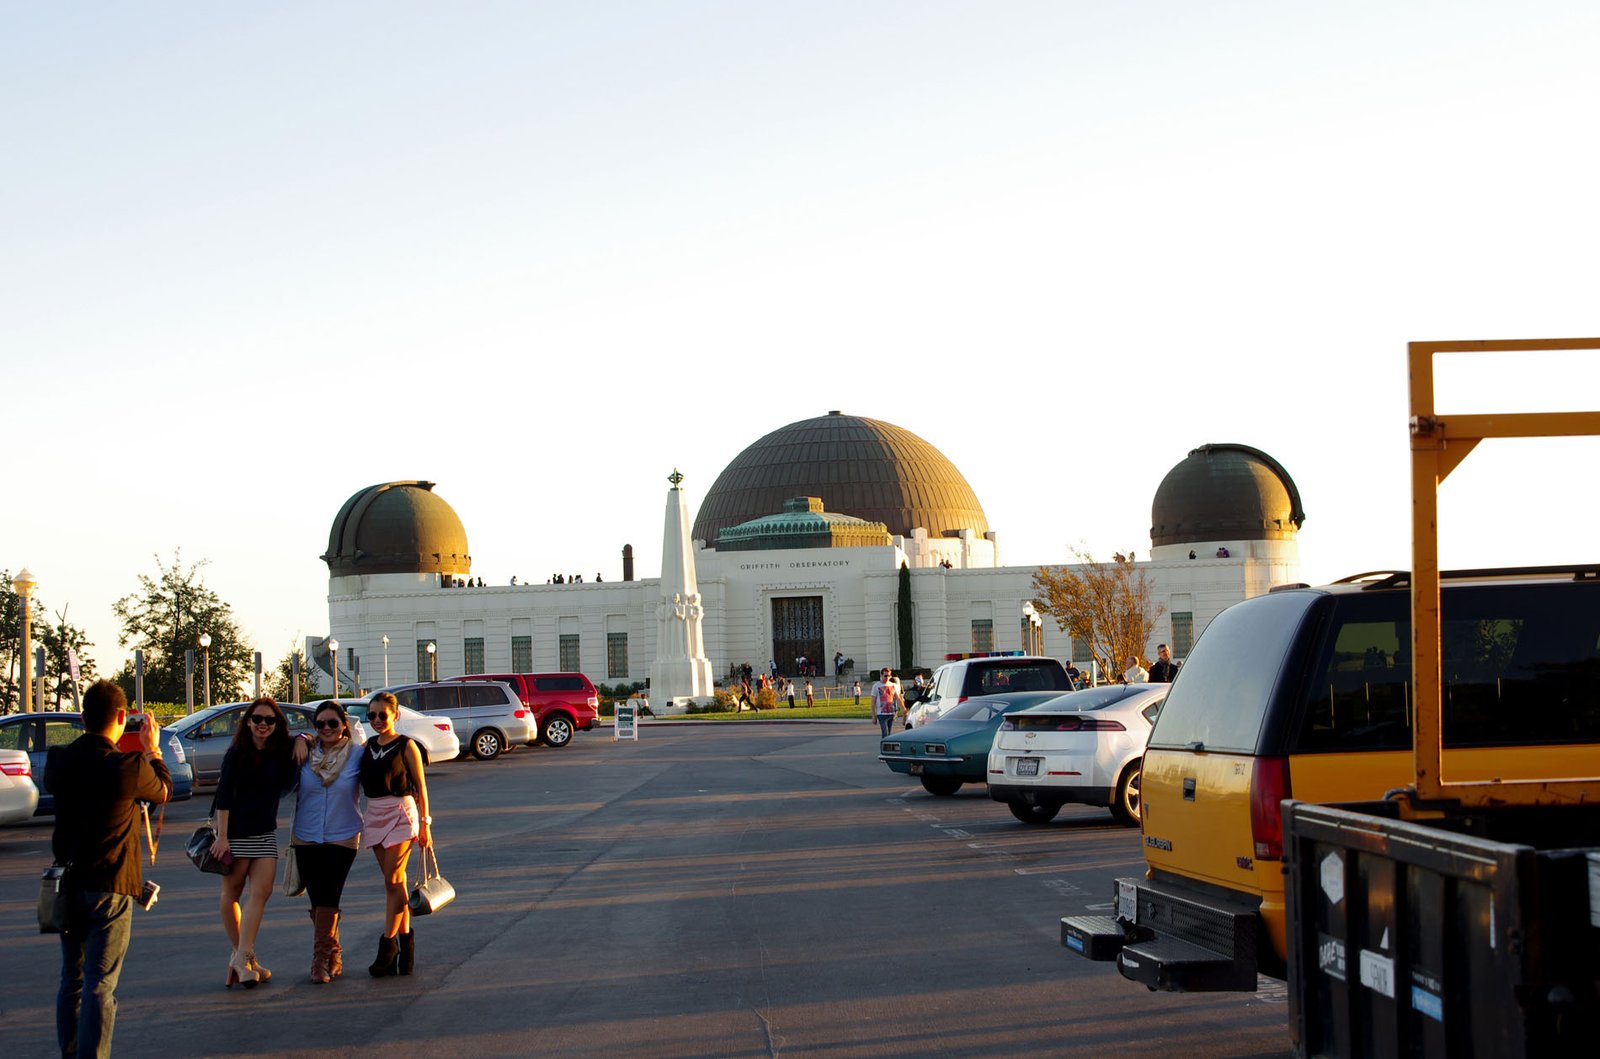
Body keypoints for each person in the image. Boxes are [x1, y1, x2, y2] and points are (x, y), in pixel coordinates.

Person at [46, 679, 171, 1059]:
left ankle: (71, 1052)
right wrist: (151, 749)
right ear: (121, 716)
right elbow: (164, 790)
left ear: (83, 717)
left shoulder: (59, 760)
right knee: (100, 985)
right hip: (111, 885)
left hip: (67, 883)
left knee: (72, 978)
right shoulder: (128, 765)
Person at [213, 696, 297, 988]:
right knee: (231, 894)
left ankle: (242, 957)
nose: (263, 724)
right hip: (235, 834)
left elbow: (304, 743)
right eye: (258, 719)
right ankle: (243, 956)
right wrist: (222, 837)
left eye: (269, 720)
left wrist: (304, 739)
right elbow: (222, 797)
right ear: (248, 722)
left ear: (277, 724)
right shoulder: (236, 753)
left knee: (261, 893)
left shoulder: (280, 753)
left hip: (264, 833)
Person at [291, 701, 368, 984]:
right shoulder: (305, 753)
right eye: (320, 723)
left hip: (343, 835)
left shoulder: (357, 754)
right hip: (306, 835)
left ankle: (319, 960)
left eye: (332, 723)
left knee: (330, 894)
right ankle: (333, 952)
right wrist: (299, 738)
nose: (326, 728)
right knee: (318, 899)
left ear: (343, 725)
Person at [360, 691, 432, 978]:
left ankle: (387, 945)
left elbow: (421, 787)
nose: (377, 720)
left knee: (392, 879)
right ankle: (406, 945)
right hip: (374, 814)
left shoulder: (407, 746)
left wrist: (425, 824)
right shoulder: (366, 746)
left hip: (402, 814)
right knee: (395, 882)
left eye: (382, 715)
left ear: (395, 716)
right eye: (372, 715)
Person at [871, 668, 903, 738]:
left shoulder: (893, 685)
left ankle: (887, 747)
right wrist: (874, 716)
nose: (887, 678)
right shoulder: (876, 686)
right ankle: (885, 746)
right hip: (881, 714)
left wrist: (904, 710)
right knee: (885, 732)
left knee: (889, 733)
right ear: (881, 675)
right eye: (885, 676)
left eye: (889, 676)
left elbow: (898, 698)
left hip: (891, 713)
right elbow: (873, 703)